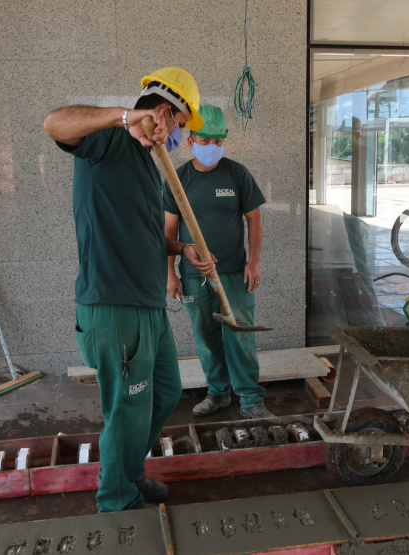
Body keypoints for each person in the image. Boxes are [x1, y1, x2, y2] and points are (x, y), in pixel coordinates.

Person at [43, 67, 215, 513]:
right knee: (127, 409)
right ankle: (118, 502)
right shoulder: (110, 142)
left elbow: (145, 234)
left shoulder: (149, 161)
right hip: (114, 305)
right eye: (181, 124)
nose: (180, 135)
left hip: (147, 305)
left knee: (164, 392)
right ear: (163, 112)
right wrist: (122, 118)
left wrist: (182, 248)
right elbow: (54, 123)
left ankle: (128, 470)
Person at [164, 104, 273, 420]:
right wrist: (169, 273)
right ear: (191, 141)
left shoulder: (237, 174)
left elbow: (254, 220)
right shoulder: (178, 178)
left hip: (234, 274)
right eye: (206, 141)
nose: (213, 147)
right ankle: (218, 392)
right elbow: (168, 231)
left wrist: (253, 262)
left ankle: (251, 398)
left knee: (239, 335)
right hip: (194, 276)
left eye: (218, 142)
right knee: (207, 337)